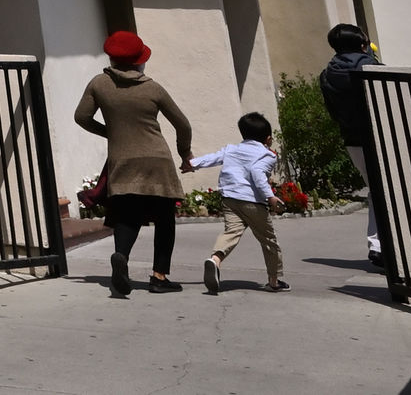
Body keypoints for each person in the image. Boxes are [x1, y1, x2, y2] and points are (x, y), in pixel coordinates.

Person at [77, 29, 193, 297]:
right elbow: (182, 124)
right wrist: (184, 153)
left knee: (127, 217)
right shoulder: (152, 87)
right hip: (157, 161)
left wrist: (111, 132)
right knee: (165, 219)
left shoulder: (99, 84)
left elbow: (81, 117)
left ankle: (121, 259)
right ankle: (159, 277)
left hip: (123, 160)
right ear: (139, 60)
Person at [190, 112, 288, 293]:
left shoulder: (231, 149)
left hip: (229, 199)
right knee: (268, 240)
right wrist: (270, 197)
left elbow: (212, 158)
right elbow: (257, 174)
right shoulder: (267, 155)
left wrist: (192, 163)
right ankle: (274, 281)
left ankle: (215, 260)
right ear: (268, 139)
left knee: (231, 233)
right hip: (253, 203)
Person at [318, 24, 385, 265]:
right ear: (361, 43)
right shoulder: (371, 67)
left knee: (377, 190)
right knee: (393, 190)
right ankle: (388, 245)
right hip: (381, 137)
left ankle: (377, 245)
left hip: (353, 140)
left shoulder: (327, 75)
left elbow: (333, 112)